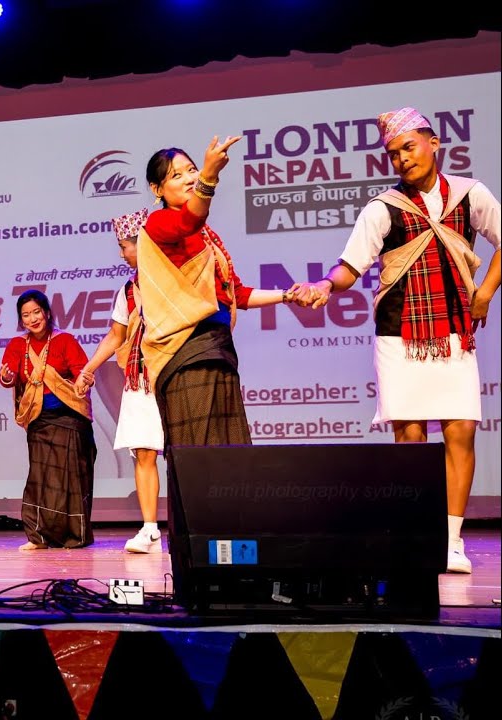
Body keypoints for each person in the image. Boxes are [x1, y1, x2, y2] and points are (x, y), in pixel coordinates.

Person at [297, 107, 500, 574]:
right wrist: (326, 286)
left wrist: (484, 293)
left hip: (452, 332)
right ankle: (416, 533)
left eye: (409, 147)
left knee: (461, 431)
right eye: (394, 153)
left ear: (433, 143)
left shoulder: (471, 195)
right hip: (398, 335)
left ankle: (450, 541)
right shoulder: (383, 208)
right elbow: (350, 265)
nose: (403, 159)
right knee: (410, 437)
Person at [134, 137, 302, 450]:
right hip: (185, 353)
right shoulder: (160, 223)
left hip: (219, 348)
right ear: (157, 190)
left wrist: (288, 296)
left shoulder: (208, 236)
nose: (188, 178)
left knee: (231, 453)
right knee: (199, 457)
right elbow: (188, 220)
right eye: (176, 175)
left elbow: (236, 293)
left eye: (192, 170)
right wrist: (209, 176)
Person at [76, 208, 166, 553]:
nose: (120, 252)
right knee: (143, 452)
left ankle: (191, 525)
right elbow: (116, 335)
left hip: (171, 375)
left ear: (141, 244)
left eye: (124, 245)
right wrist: (89, 369)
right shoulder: (128, 290)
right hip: (140, 378)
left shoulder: (171, 281)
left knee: (185, 454)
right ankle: (150, 530)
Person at [0, 290, 97, 550]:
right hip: (39, 422)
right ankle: (39, 537)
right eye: (26, 315)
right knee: (41, 480)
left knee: (71, 480)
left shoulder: (65, 341)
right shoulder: (18, 346)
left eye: (36, 312)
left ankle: (75, 536)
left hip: (70, 420)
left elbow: (81, 372)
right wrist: (7, 376)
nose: (32, 319)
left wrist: (83, 381)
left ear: (47, 313)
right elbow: (7, 378)